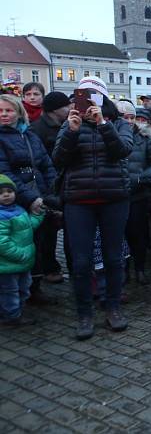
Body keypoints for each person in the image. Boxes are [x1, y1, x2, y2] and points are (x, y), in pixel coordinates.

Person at [52, 77, 133, 340]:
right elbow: (58, 159)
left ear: (102, 98)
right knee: (82, 260)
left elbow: (123, 151)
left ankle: (113, 307)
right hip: (79, 200)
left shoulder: (119, 123)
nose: (88, 101)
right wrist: (72, 132)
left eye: (93, 96)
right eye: (83, 96)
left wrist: (103, 125)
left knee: (113, 257)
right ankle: (84, 313)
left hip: (113, 198)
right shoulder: (70, 125)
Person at [0, 93, 58, 304]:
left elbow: (46, 164)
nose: (4, 114)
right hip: (12, 200)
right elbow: (5, 172)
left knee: (39, 242)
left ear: (18, 112)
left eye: (8, 110)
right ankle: (13, 295)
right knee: (18, 245)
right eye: (0, 111)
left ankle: (34, 287)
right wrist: (31, 198)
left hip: (39, 193)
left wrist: (52, 191)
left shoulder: (30, 135)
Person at [29, 91, 72, 284]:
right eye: (66, 106)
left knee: (56, 228)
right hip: (47, 186)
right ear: (56, 109)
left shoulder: (60, 125)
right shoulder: (38, 129)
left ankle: (53, 266)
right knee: (47, 231)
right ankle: (48, 268)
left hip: (61, 183)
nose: (70, 108)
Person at [117, 100, 151, 285]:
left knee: (139, 234)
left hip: (139, 194)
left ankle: (140, 269)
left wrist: (141, 178)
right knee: (119, 236)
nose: (128, 121)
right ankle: (123, 270)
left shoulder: (144, 137)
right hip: (117, 194)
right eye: (124, 117)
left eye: (132, 117)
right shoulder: (111, 136)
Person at [0, 174, 44, 327]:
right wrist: (20, 254)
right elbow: (2, 243)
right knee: (9, 291)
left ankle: (15, 311)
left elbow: (28, 227)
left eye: (9, 191)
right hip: (7, 265)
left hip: (23, 263)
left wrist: (38, 215)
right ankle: (12, 316)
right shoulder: (1, 216)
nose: (6, 194)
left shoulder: (19, 210)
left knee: (23, 288)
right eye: (1, 192)